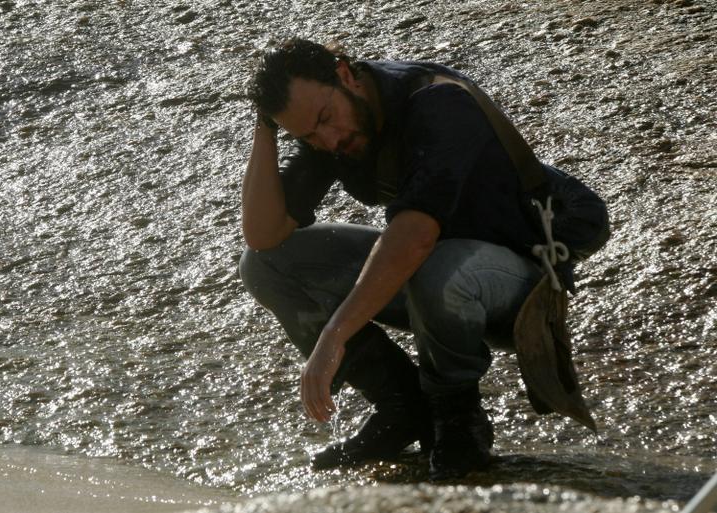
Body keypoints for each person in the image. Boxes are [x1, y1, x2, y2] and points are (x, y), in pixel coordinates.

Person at [239, 38, 595, 479]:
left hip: (520, 279)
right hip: (437, 266)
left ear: (345, 73)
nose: (328, 140)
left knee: (429, 263)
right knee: (265, 264)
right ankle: (402, 409)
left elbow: (415, 237)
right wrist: (266, 126)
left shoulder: (437, 102)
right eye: (309, 135)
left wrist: (334, 336)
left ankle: (458, 420)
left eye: (326, 120)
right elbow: (263, 233)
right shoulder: (331, 131)